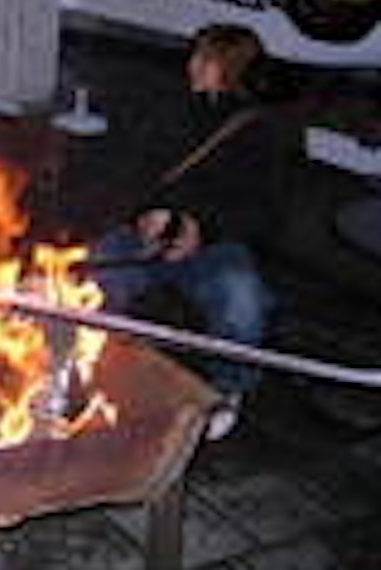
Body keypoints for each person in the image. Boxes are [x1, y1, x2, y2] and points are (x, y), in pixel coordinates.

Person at [88, 23, 284, 441]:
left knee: (241, 297)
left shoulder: (258, 131)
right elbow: (125, 175)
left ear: (232, 69)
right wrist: (144, 215)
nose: (193, 65)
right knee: (95, 272)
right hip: (147, 239)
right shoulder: (166, 110)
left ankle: (228, 390)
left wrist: (201, 228)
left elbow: (264, 214)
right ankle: (97, 368)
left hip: (215, 247)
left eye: (206, 59)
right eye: (195, 55)